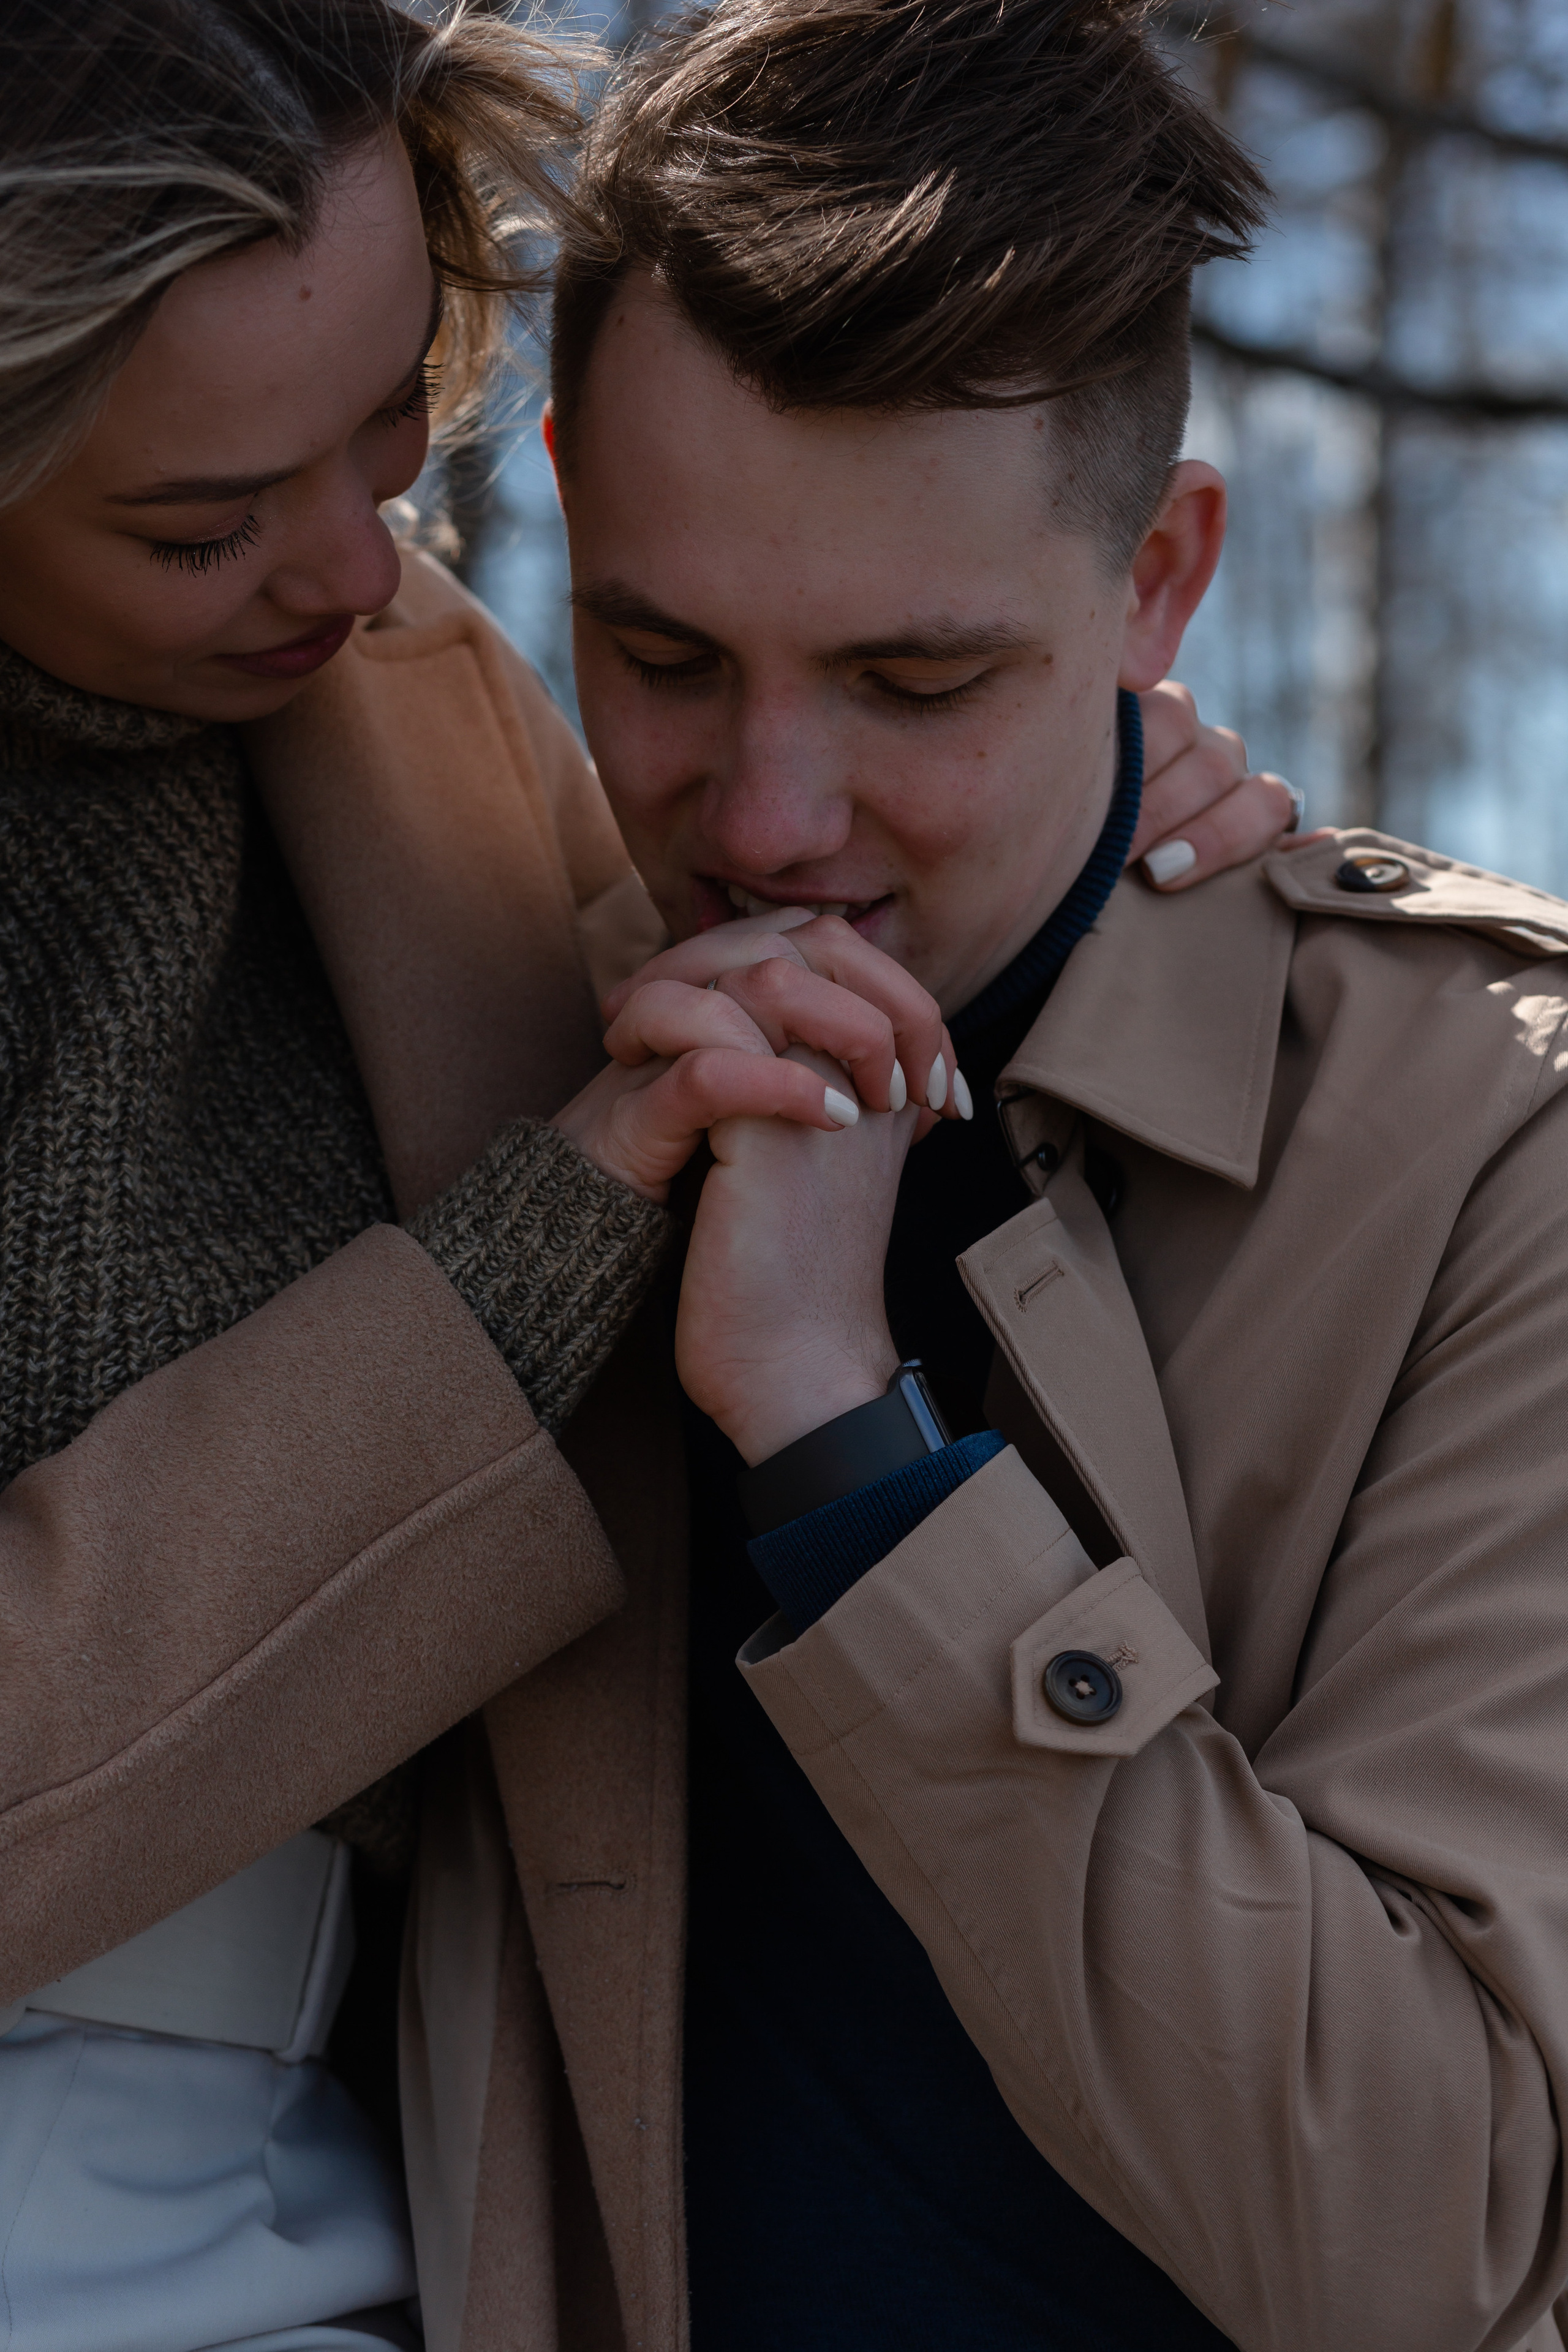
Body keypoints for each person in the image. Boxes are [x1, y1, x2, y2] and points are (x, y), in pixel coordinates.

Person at [0, 2, 1284, 2348]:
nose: (355, 561)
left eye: (386, 416)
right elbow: (581, 1180)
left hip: (362, 2183)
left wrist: (1063, 774)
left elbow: (716, 958)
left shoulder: (405, 697)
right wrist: (549, 1234)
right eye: (203, 522)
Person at [535, 0, 1568, 2347]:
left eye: (915, 684)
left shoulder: (1499, 1144)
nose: (769, 817)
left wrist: (846, 1450)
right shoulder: (483, 1029)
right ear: (569, 508)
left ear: (1161, 580)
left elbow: (1433, 2239)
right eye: (662, 653)